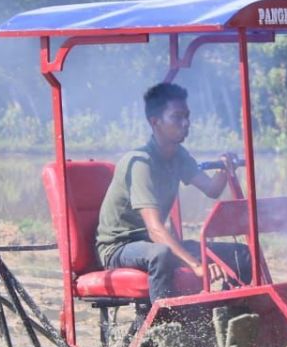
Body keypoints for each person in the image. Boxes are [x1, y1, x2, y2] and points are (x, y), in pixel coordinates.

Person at [95, 82, 252, 301]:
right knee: (161, 254)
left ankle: (230, 319)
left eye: (187, 116)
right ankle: (162, 330)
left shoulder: (179, 155)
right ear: (155, 122)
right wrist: (196, 265)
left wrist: (226, 168)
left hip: (152, 243)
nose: (185, 123)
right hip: (120, 248)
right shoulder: (140, 163)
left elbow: (212, 189)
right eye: (177, 117)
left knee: (240, 253)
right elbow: (155, 229)